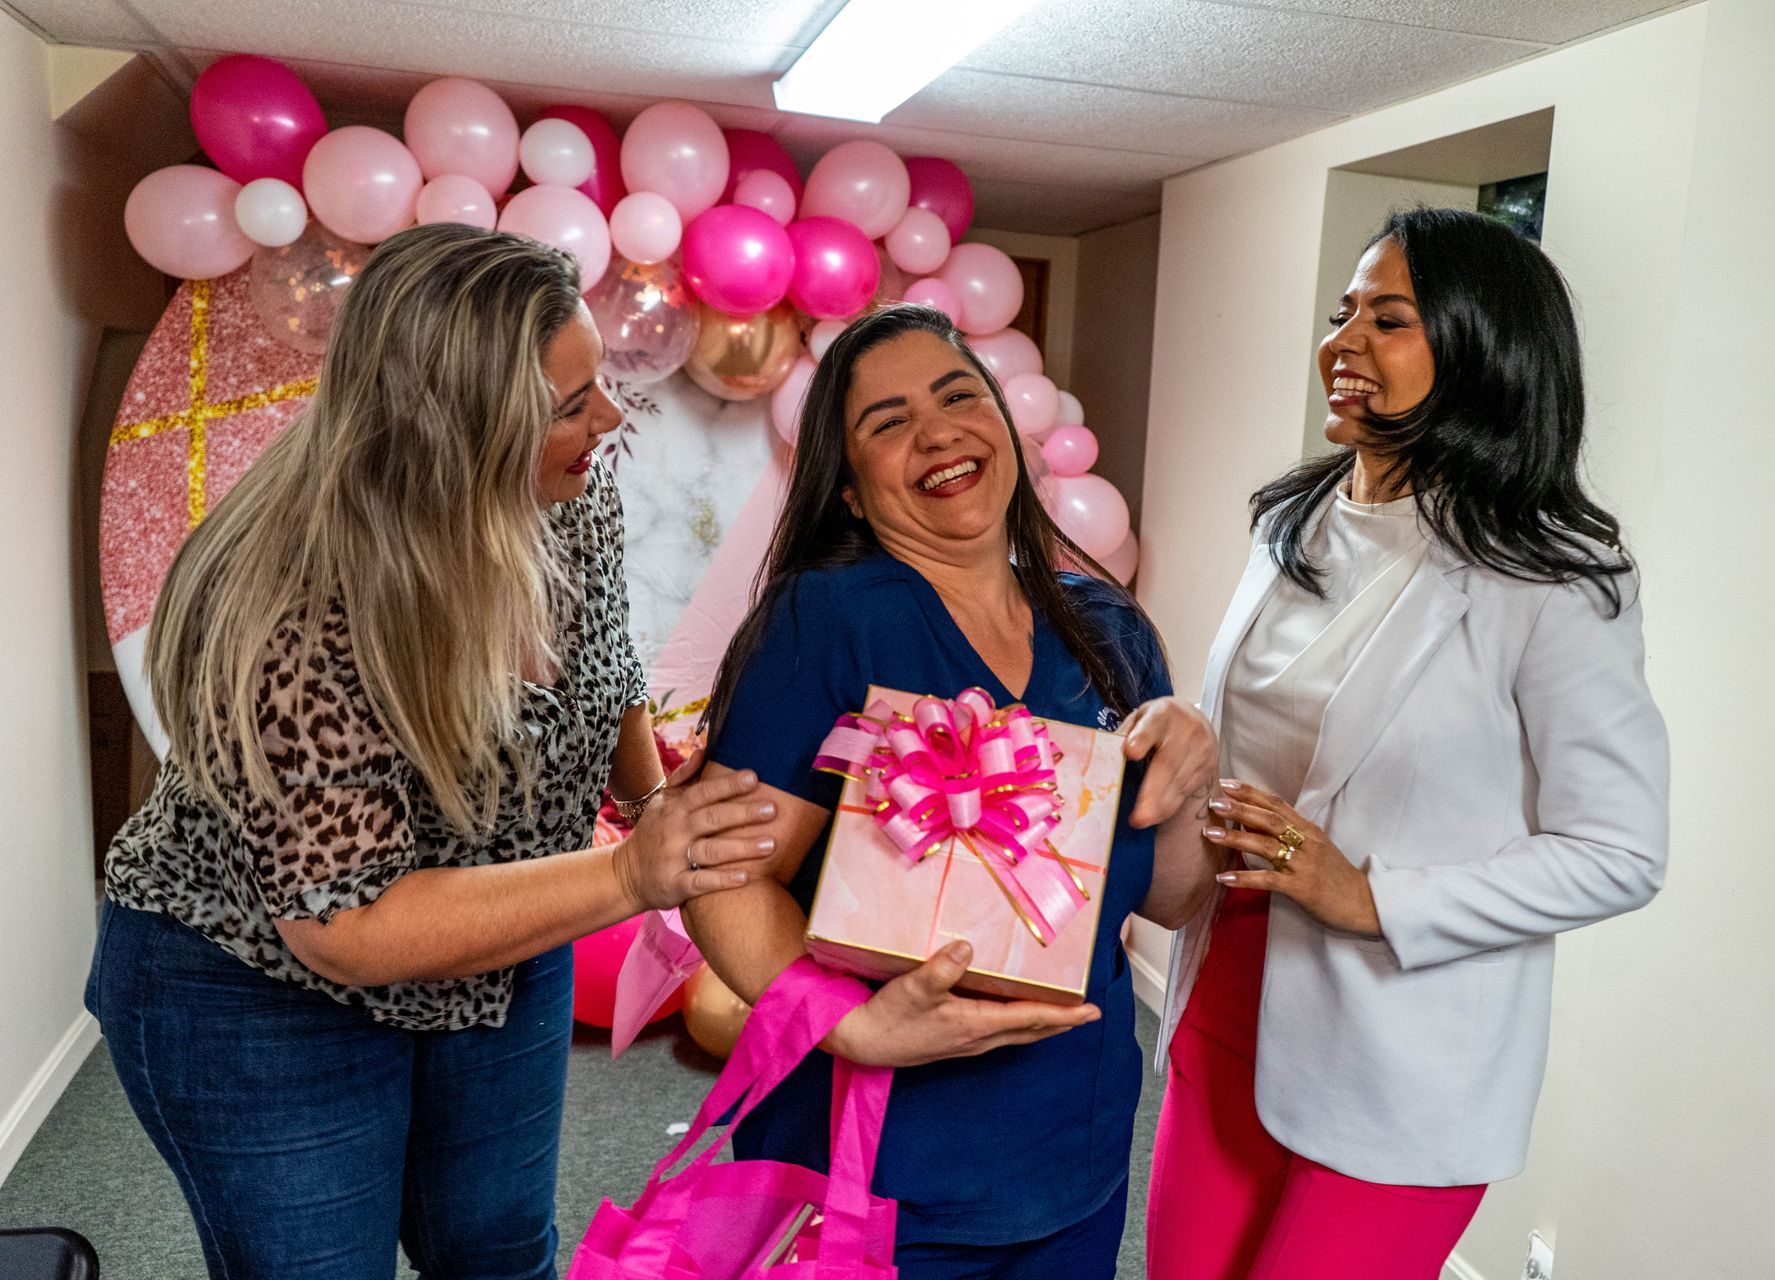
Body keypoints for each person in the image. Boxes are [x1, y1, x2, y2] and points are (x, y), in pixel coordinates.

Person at [86, 223, 779, 1280]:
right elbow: (346, 922)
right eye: (569, 405)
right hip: (258, 975)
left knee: (496, 1246)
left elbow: (604, 661)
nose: (611, 417)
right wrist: (633, 872)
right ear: (453, 433)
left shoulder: (566, 487)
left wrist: (653, 800)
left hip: (497, 924)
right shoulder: (294, 602)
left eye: (596, 383)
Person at [1145, 208, 1670, 1279]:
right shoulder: (1291, 521)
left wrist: (1369, 895)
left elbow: (1622, 849)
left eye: (1389, 319)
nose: (1342, 342)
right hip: (1227, 998)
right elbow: (1258, 751)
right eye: (1343, 314)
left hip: (1403, 1049)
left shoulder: (1558, 578)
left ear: (1483, 352)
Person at [683, 303, 1220, 1280]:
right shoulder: (828, 619)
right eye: (887, 421)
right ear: (848, 490)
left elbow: (1170, 895)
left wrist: (1192, 773)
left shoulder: (1109, 629)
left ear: (1004, 428)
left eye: (958, 394)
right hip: (873, 1168)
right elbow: (720, 874)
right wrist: (847, 1021)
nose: (936, 430)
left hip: (1075, 1153)